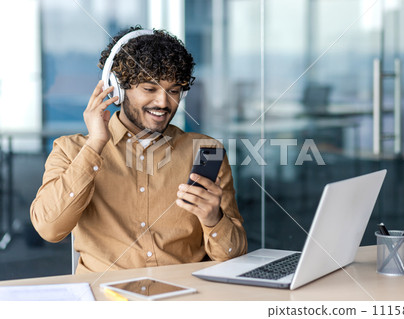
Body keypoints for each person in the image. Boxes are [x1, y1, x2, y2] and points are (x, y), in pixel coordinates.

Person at [30, 26, 247, 274]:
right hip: (106, 301)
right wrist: (95, 146)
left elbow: (233, 256)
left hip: (184, 299)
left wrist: (213, 219)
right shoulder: (71, 150)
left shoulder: (206, 151)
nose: (163, 102)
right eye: (149, 89)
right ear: (118, 89)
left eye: (174, 90)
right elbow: (49, 229)